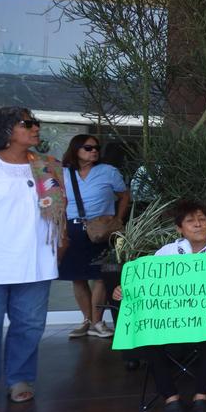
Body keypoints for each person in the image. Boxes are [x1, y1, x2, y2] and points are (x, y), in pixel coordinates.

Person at [112, 199, 206, 412]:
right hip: (173, 324)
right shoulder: (166, 253)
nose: (198, 224)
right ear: (180, 228)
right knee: (150, 337)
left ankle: (201, 396)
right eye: (191, 221)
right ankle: (170, 397)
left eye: (202, 220)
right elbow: (148, 286)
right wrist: (124, 291)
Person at [0, 107, 67, 411]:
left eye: (36, 123)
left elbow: (61, 211)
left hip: (36, 263)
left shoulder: (47, 166)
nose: (36, 128)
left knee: (30, 325)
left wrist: (61, 245)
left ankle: (20, 378)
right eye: (28, 124)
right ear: (7, 131)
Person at [58, 133, 130, 339]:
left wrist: (118, 218)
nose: (94, 151)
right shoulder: (63, 173)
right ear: (76, 150)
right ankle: (87, 320)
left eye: (96, 147)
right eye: (88, 148)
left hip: (102, 228)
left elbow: (124, 195)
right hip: (73, 227)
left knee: (101, 275)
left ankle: (98, 322)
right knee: (77, 277)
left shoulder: (108, 171)